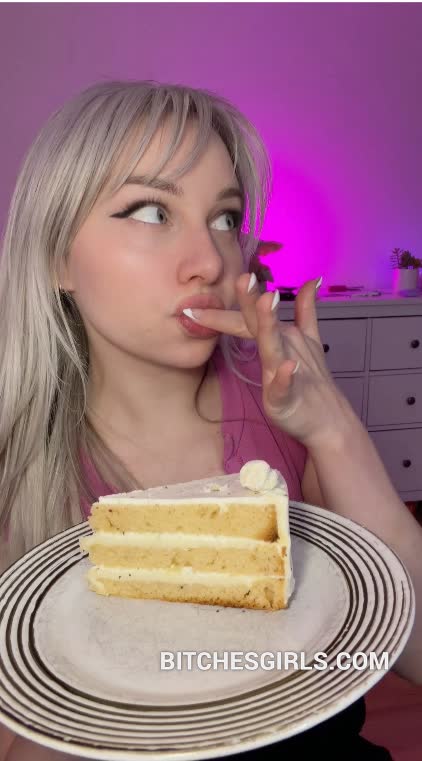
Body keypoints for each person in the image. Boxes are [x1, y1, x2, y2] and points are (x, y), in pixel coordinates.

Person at [0, 80, 421, 761]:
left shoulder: (283, 415)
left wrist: (334, 429)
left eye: (224, 219)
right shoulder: (17, 469)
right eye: (150, 211)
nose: (210, 262)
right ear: (56, 258)